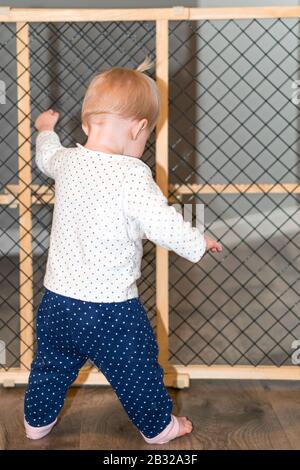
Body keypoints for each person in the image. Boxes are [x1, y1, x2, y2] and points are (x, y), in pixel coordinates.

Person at [24, 57, 222, 445]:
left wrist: (45, 129)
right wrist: (197, 241)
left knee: (50, 366)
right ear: (138, 127)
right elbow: (161, 222)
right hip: (110, 308)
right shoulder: (133, 174)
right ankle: (160, 427)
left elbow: (46, 156)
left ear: (86, 124)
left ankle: (36, 423)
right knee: (138, 369)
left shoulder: (68, 160)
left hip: (57, 301)